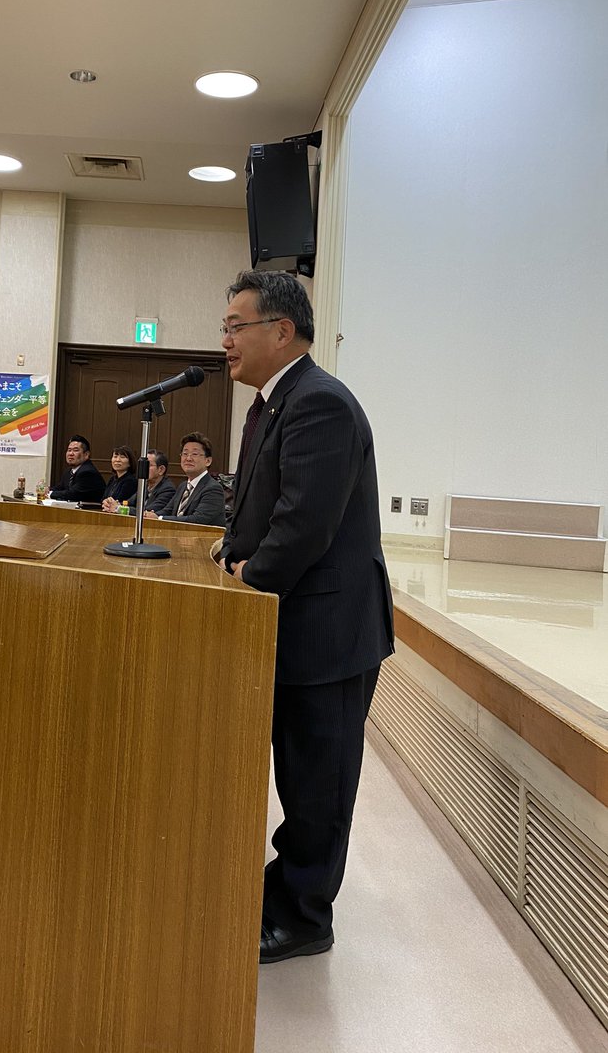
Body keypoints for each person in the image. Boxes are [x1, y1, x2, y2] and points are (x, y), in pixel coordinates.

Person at [217, 268, 393, 964]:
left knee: (319, 783)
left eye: (236, 326)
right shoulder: (271, 404)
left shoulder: (319, 403)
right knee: (297, 772)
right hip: (291, 625)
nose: (225, 340)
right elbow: (258, 507)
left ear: (282, 330)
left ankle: (305, 918)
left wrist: (250, 577)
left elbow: (303, 525)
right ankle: (284, 891)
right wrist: (227, 552)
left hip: (327, 632)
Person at [146, 432, 225, 525]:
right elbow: (168, 510)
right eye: (185, 453)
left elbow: (198, 519)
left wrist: (159, 518)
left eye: (194, 454)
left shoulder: (213, 488)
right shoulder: (183, 486)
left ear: (208, 461)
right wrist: (151, 515)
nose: (188, 458)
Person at [103, 448, 176, 515]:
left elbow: (148, 512)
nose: (143, 469)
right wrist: (111, 504)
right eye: (142, 465)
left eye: (147, 465)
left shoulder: (168, 489)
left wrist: (118, 508)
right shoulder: (145, 485)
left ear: (161, 470)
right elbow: (128, 502)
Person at [49, 434, 106, 503]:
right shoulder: (69, 471)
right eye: (69, 450)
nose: (71, 453)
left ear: (86, 454)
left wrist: (50, 494)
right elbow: (59, 487)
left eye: (75, 450)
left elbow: (73, 494)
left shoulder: (88, 472)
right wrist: (46, 491)